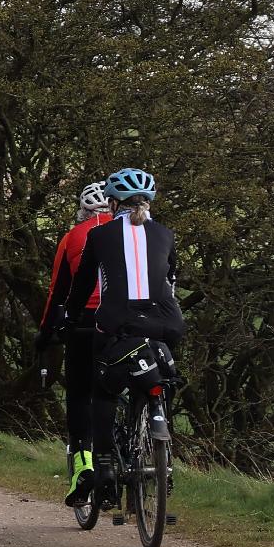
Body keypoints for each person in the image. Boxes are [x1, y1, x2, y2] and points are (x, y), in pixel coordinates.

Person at [62, 167, 186, 505]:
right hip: (167, 324)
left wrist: (71, 316)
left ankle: (103, 467)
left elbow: (83, 284)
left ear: (113, 204)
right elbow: (171, 281)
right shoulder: (166, 234)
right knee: (162, 375)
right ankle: (160, 428)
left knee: (103, 391)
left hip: (116, 325)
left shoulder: (99, 237)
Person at [34, 181, 112, 506]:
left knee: (80, 393)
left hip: (85, 322)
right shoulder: (131, 232)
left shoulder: (73, 237)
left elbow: (57, 291)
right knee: (114, 390)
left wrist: (45, 332)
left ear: (82, 210)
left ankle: (84, 463)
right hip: (125, 321)